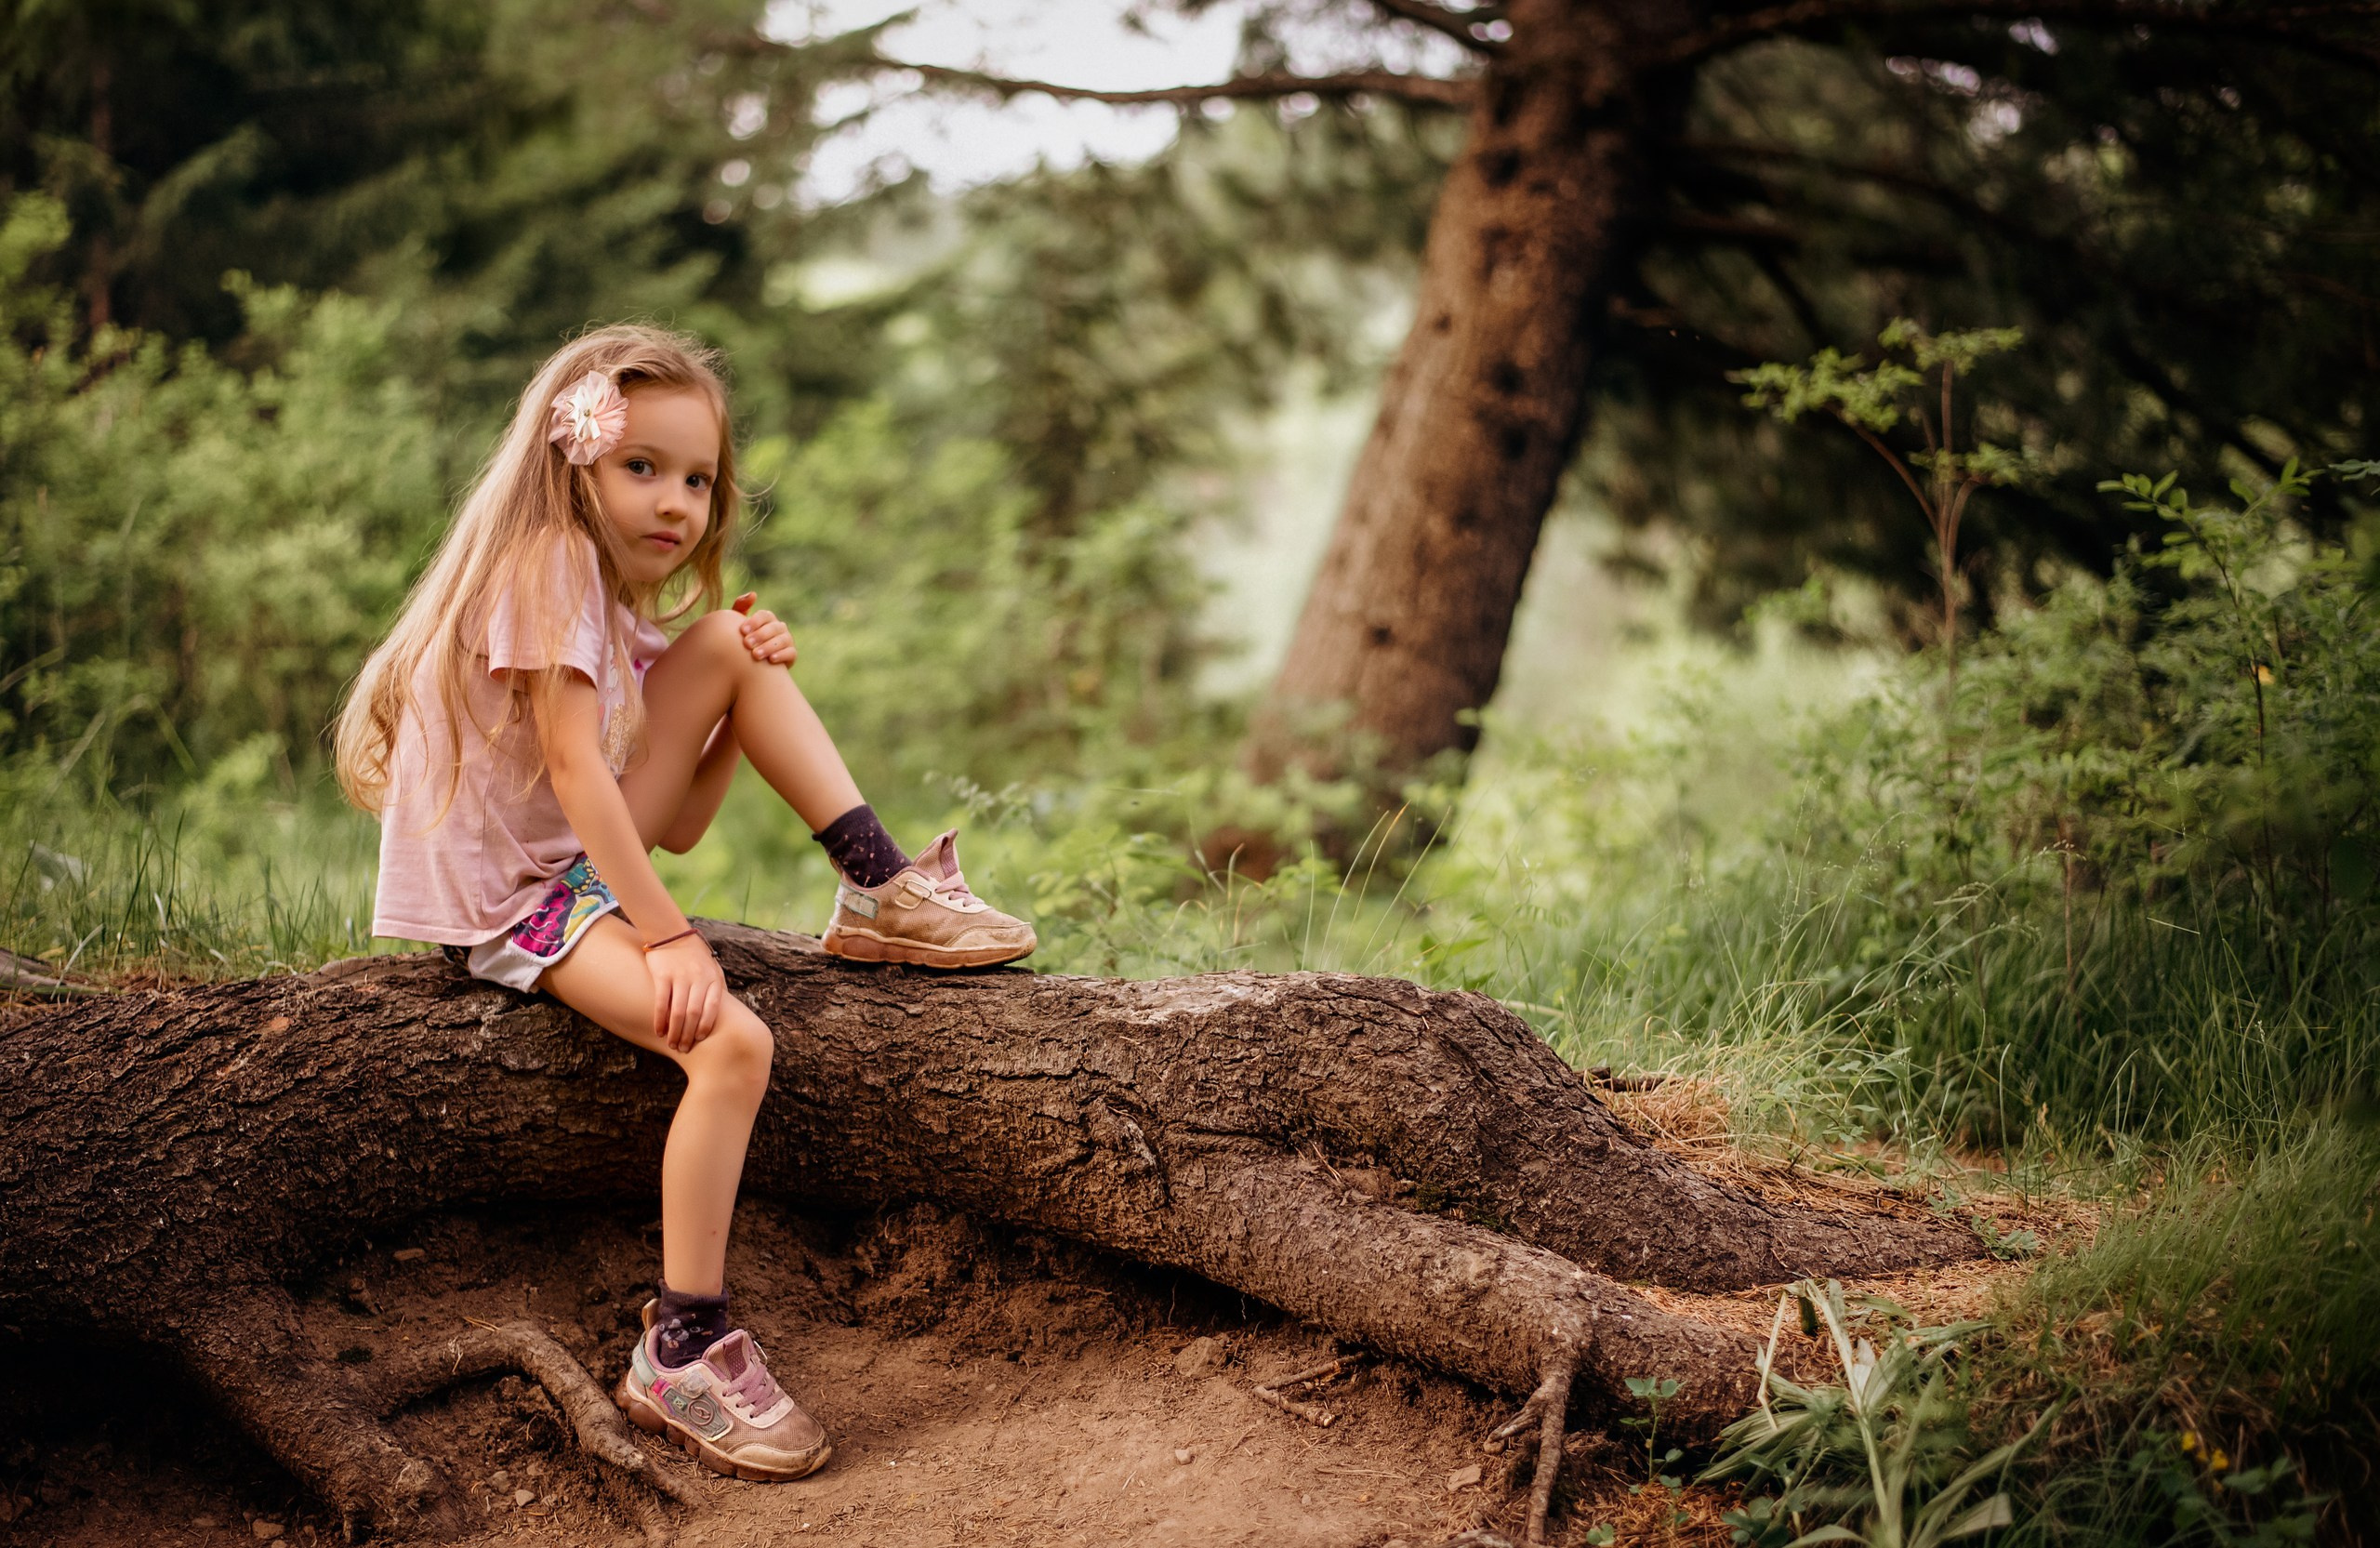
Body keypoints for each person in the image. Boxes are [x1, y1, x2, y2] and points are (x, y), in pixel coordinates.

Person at [334, 324, 1035, 1483]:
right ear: (572, 465)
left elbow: (677, 822)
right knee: (731, 1046)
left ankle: (878, 886)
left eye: (699, 479)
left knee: (727, 642)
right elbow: (572, 776)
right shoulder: (547, 564)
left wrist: (733, 692)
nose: (677, 501)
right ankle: (682, 1346)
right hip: (514, 903)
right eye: (642, 467)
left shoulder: (614, 610)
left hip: (576, 870)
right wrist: (669, 939)